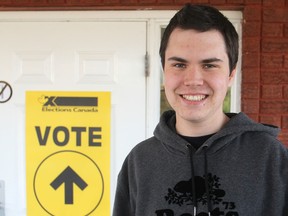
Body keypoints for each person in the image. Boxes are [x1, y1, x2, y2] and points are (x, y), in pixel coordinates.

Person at [113, 4, 288, 216]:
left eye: (209, 65)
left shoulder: (270, 158)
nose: (193, 80)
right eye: (179, 65)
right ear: (164, 72)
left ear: (231, 75)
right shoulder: (140, 161)